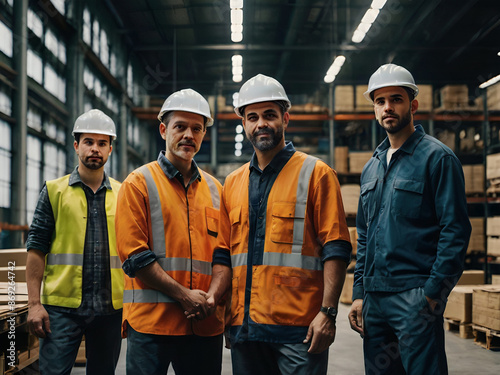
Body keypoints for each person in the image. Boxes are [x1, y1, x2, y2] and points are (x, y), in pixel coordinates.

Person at [201, 74, 352, 375]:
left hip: (298, 332)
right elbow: (223, 254)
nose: (261, 124)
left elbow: (336, 247)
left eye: (269, 115)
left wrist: (329, 313)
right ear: (243, 123)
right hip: (246, 330)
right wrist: (222, 309)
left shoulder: (317, 174)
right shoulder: (232, 183)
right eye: (252, 117)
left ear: (285, 118)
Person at [348, 63, 472, 374]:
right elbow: (364, 235)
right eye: (380, 101)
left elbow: (455, 230)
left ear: (413, 105)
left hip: (415, 295)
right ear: (375, 109)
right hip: (375, 300)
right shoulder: (371, 168)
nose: (387, 107)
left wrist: (433, 295)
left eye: (396, 99)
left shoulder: (438, 158)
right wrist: (360, 293)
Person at [115, 88, 225, 375]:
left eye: (196, 128)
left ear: (203, 135)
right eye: (180, 126)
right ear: (164, 130)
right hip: (152, 325)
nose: (189, 134)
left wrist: (211, 298)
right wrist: (184, 295)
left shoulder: (217, 191)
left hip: (204, 325)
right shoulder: (138, 184)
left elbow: (226, 255)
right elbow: (135, 258)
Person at [26, 109, 124, 375]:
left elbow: (134, 253)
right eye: (89, 142)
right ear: (76, 146)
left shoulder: (124, 194)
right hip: (61, 310)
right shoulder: (54, 191)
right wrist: (34, 304)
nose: (95, 149)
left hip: (110, 310)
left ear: (110, 149)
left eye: (102, 143)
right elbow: (36, 249)